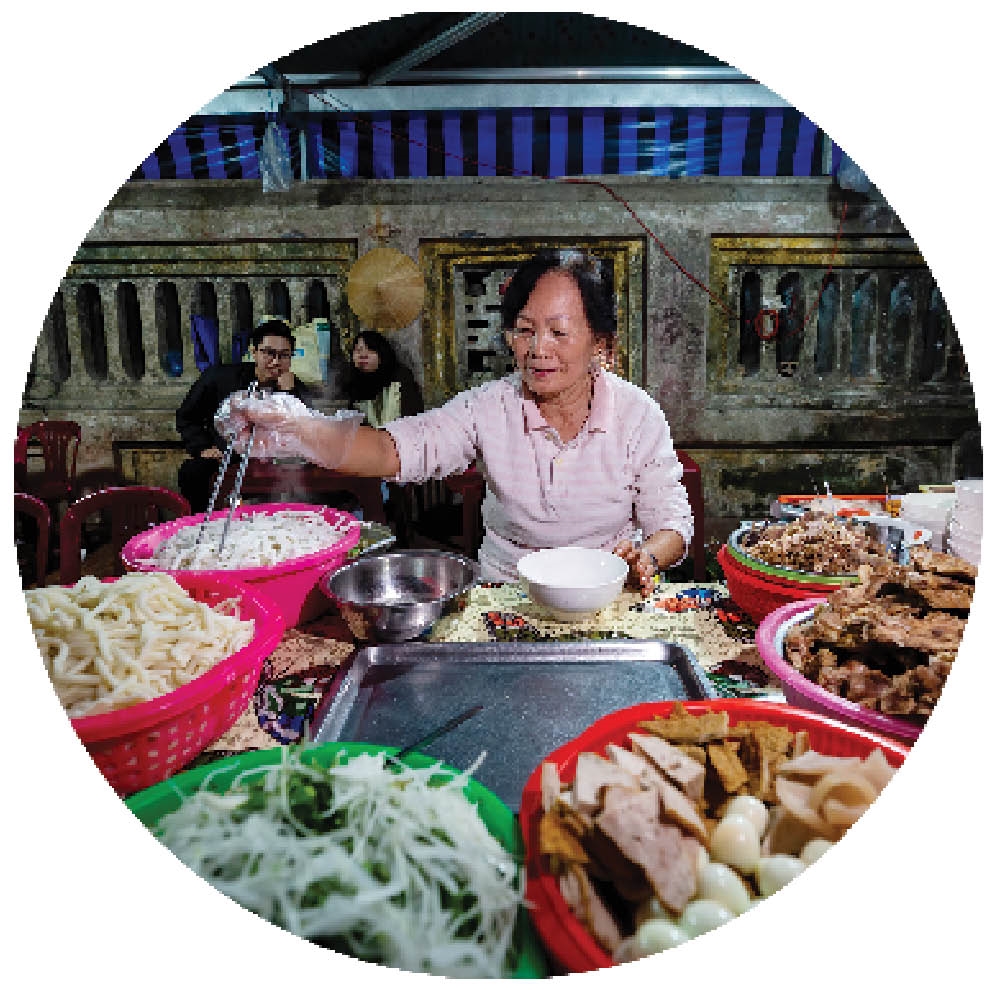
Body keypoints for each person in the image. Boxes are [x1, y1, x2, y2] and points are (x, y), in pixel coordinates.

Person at [228, 251, 693, 593]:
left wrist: (646, 559)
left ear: (601, 346)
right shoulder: (489, 407)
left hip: (607, 595)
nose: (538, 350)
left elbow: (672, 521)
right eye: (524, 330)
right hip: (507, 597)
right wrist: (297, 429)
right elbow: (394, 450)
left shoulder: (637, 414)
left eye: (559, 332)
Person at [175, 319, 316, 513]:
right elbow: (187, 416)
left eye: (284, 355)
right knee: (192, 472)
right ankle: (205, 521)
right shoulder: (220, 378)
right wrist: (203, 447)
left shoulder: (295, 386)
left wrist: (289, 393)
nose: (276, 362)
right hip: (228, 454)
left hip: (275, 460)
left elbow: (306, 427)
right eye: (269, 353)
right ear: (254, 352)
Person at [344, 329, 424, 427]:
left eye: (370, 349)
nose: (363, 355)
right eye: (358, 350)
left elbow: (412, 420)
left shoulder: (400, 378)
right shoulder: (354, 382)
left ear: (382, 354)